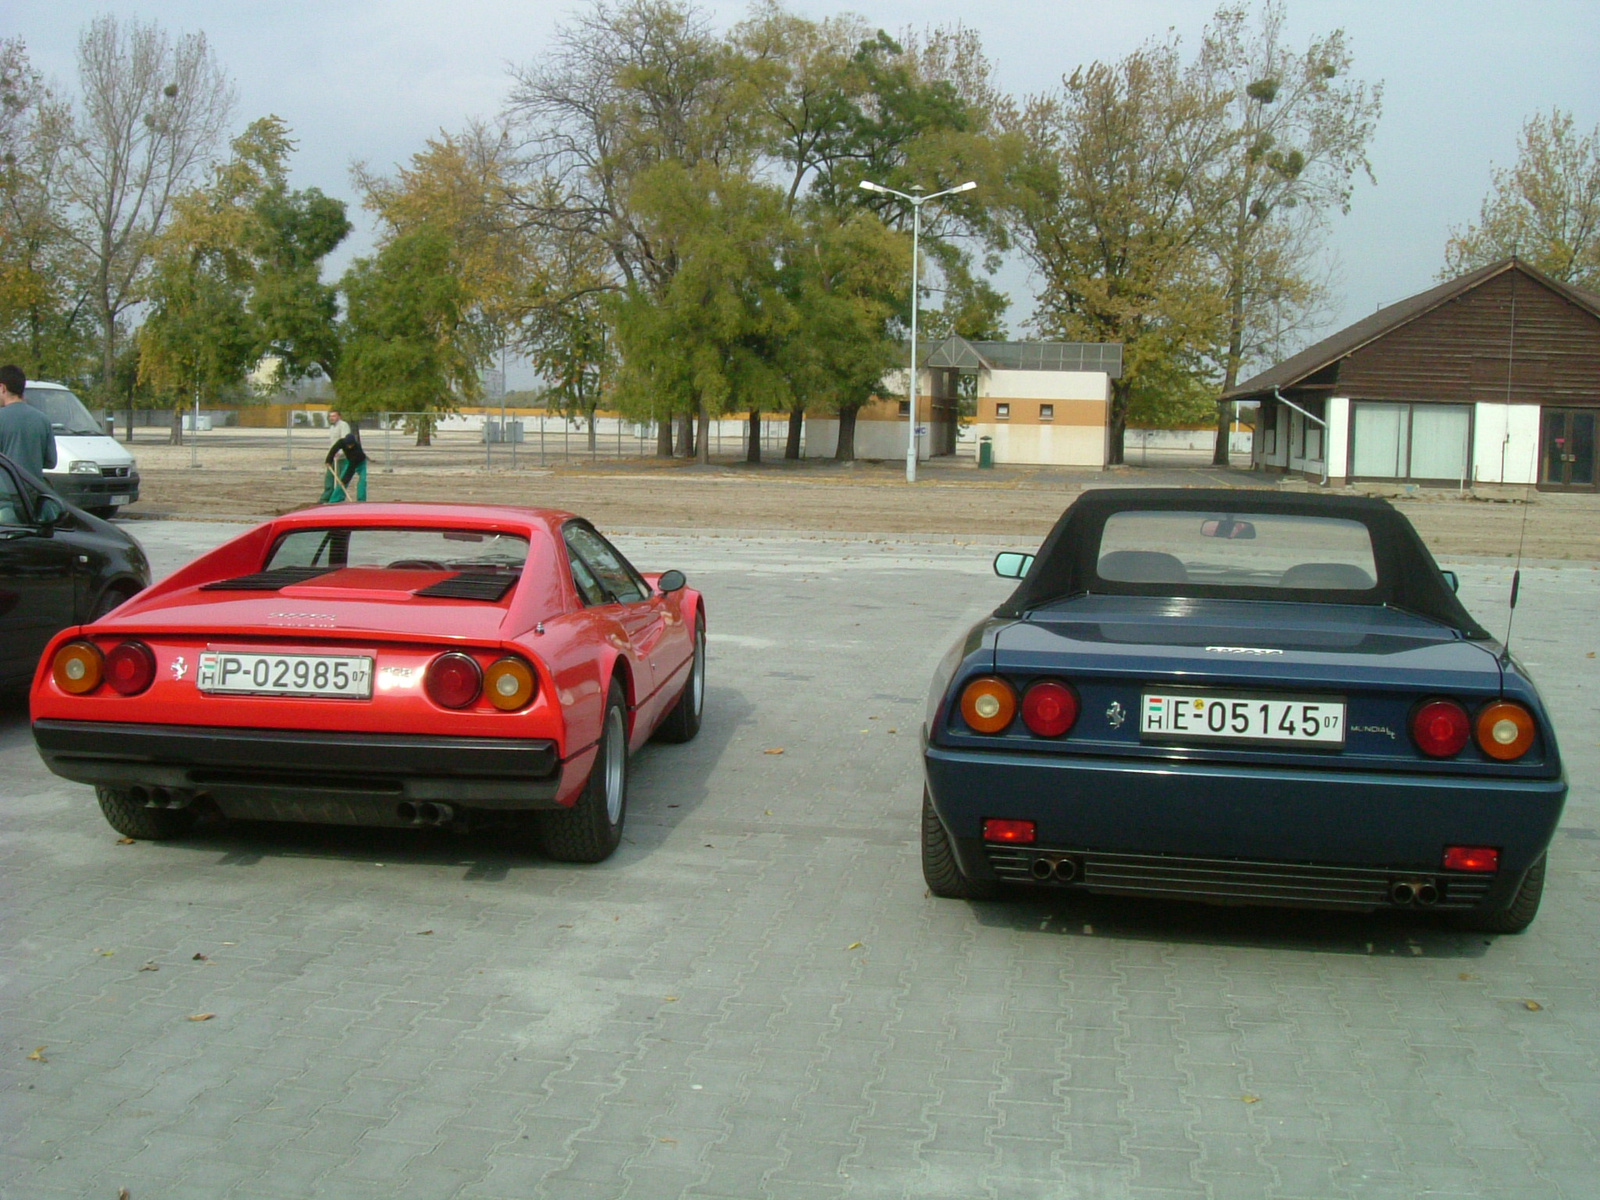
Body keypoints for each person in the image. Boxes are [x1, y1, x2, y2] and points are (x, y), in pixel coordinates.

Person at [0, 365, 56, 482]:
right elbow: (51, 462)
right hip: (32, 492)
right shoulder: (43, 419)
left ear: (2, 388)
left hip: (5, 494)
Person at [320, 407, 368, 502]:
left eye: (334, 415)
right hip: (348, 461)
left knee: (362, 481)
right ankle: (334, 500)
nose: (349, 447)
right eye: (330, 416)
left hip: (360, 463)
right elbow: (333, 449)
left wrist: (345, 480)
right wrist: (328, 460)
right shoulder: (342, 442)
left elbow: (352, 467)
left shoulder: (357, 450)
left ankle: (361, 500)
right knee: (340, 482)